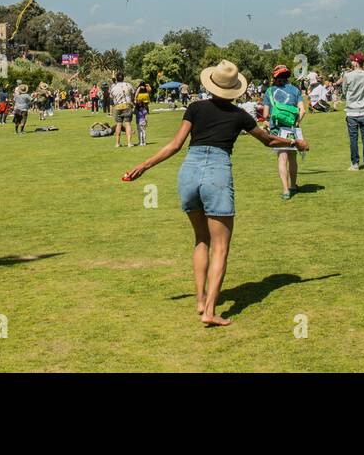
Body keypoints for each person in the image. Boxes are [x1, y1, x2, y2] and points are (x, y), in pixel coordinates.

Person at [120, 60, 305, 327]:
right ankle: (209, 311)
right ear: (234, 89)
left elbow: (175, 145)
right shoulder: (240, 115)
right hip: (216, 173)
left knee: (201, 239)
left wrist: (143, 165)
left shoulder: (195, 108)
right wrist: (295, 142)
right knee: (221, 247)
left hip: (189, 172)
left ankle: (199, 300)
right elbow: (268, 140)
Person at [261, 64, 306, 200]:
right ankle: (293, 185)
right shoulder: (295, 90)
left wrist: (267, 122)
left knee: (282, 159)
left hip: (277, 129)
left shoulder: (270, 91)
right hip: (292, 128)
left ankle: (286, 190)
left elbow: (265, 113)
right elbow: (302, 110)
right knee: (292, 159)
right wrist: (296, 123)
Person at [334, 53, 364, 170]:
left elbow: (344, 90)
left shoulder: (348, 75)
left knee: (353, 139)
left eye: (352, 61)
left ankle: (355, 164)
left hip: (351, 111)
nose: (351, 62)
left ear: (356, 62)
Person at [110, 72, 135, 147]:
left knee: (118, 124)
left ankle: (117, 143)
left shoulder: (113, 87)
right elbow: (133, 93)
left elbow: (111, 96)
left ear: (116, 79)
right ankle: (129, 143)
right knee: (128, 124)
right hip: (127, 105)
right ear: (123, 78)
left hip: (117, 106)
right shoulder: (128, 85)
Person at [134, 81, 151, 146]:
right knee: (144, 131)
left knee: (140, 131)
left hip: (139, 120)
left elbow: (136, 94)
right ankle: (144, 142)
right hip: (145, 102)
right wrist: (148, 85)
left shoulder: (139, 88)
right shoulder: (146, 88)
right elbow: (150, 91)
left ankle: (140, 142)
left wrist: (135, 99)